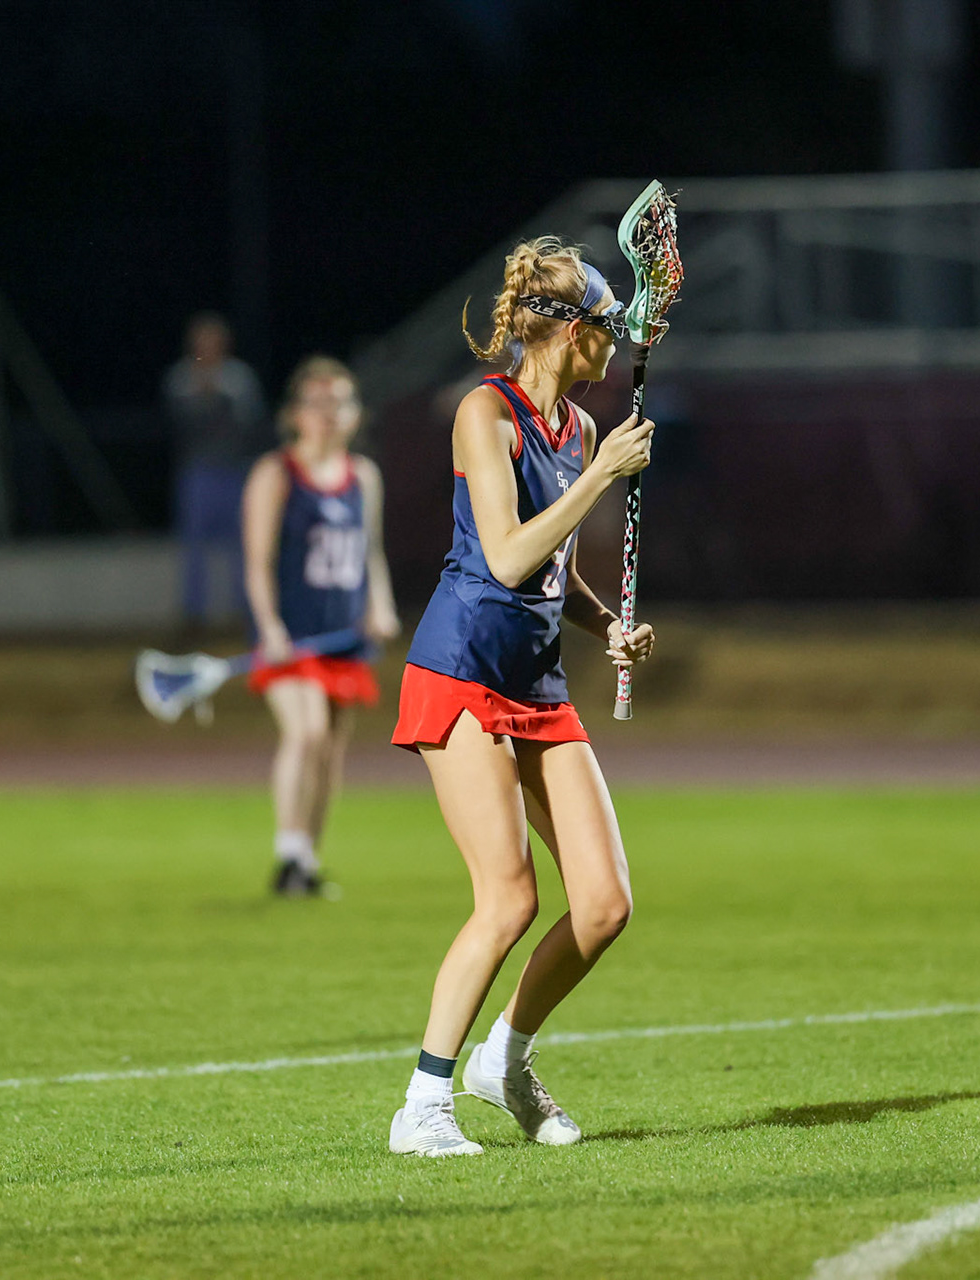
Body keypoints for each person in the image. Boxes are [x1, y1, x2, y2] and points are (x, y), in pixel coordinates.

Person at [386, 237, 657, 1157]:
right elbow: (504, 555)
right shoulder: (483, 414)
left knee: (604, 905)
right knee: (507, 899)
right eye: (605, 328)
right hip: (461, 671)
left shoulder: (578, 429)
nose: (615, 344)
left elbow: (551, 573)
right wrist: (598, 481)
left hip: (537, 683)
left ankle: (506, 1057)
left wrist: (604, 626)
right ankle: (422, 1106)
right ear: (566, 331)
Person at [242, 356, 399, 897]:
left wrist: (380, 604)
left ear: (355, 415)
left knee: (330, 750)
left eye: (340, 403)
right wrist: (270, 628)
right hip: (293, 638)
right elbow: (257, 561)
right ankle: (286, 855)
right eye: (317, 402)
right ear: (294, 414)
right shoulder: (276, 473)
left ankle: (307, 861)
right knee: (305, 733)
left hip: (343, 637)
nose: (328, 414)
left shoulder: (365, 477)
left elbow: (369, 554)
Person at [163, 312, 272, 630]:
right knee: (193, 545)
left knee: (244, 544)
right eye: (201, 340)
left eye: (214, 339)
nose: (208, 346)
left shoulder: (239, 377)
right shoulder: (180, 378)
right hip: (197, 472)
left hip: (236, 471)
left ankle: (246, 610)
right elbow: (176, 426)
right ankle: (194, 614)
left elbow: (253, 425)